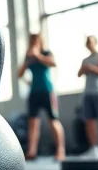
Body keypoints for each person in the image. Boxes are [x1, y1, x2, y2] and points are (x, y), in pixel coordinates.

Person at [17, 33, 65, 161]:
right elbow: (19, 74)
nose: (34, 42)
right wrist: (27, 60)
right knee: (33, 123)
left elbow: (53, 63)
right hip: (34, 92)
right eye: (32, 40)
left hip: (47, 91)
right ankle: (32, 151)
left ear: (40, 41)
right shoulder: (28, 57)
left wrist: (38, 55)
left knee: (53, 120)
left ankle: (60, 151)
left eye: (36, 40)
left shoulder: (46, 53)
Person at [77, 35, 98, 158]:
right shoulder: (85, 60)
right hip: (88, 93)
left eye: (91, 42)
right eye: (87, 42)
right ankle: (95, 149)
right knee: (89, 121)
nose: (89, 44)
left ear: (95, 43)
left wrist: (92, 68)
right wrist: (84, 69)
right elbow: (79, 74)